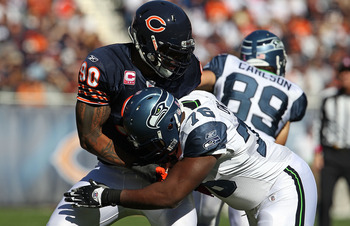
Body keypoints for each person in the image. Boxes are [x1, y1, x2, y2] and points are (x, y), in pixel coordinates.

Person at [64, 87, 317, 226]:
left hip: (283, 186)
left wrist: (105, 195)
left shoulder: (203, 133)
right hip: (254, 197)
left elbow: (170, 195)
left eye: (153, 140)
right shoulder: (191, 103)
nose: (152, 149)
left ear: (169, 126)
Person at [47, 1, 202, 225]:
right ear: (144, 44)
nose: (178, 61)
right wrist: (144, 167)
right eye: (169, 51)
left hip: (166, 178)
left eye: (181, 52)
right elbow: (90, 137)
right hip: (112, 173)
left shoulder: (188, 71)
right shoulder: (106, 65)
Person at [195, 30, 308, 226]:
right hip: (256, 165)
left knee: (203, 219)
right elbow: (279, 145)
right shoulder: (293, 92)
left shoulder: (229, 64)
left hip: (216, 149)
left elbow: (195, 83)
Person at [313, 56, 350, 226]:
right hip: (331, 154)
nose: (346, 77)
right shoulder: (328, 97)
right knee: (325, 200)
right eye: (343, 73)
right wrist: (318, 152)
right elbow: (318, 125)